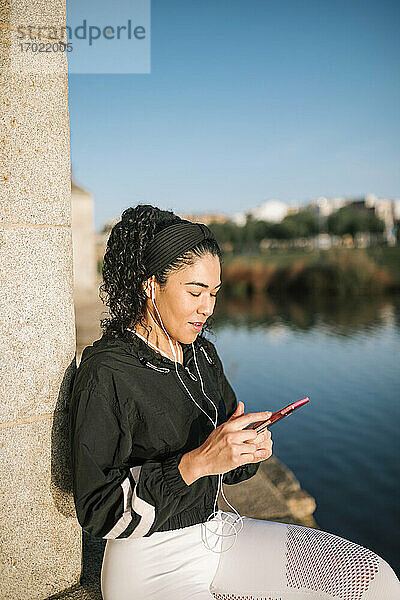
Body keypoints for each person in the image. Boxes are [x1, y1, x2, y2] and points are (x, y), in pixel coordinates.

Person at [69, 204, 400, 600]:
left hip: (216, 532)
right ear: (150, 285)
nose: (207, 308)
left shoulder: (203, 354)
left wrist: (246, 451)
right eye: (195, 291)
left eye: (213, 292)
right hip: (148, 564)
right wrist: (194, 464)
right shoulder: (106, 372)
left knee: (373, 579)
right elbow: (96, 510)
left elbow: (226, 466)